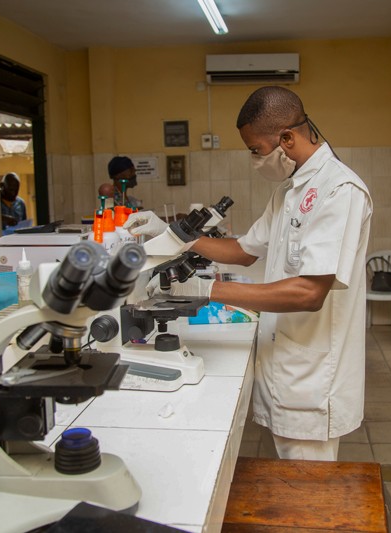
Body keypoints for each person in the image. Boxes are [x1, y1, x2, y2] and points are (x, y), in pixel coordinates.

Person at [126, 86, 372, 461]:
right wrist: (175, 238)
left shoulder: (339, 191)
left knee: (307, 485)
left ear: (286, 139)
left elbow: (309, 293)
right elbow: (243, 251)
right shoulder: (289, 190)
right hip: (284, 362)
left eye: (256, 150)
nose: (255, 159)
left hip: (314, 376)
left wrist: (207, 291)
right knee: (289, 477)